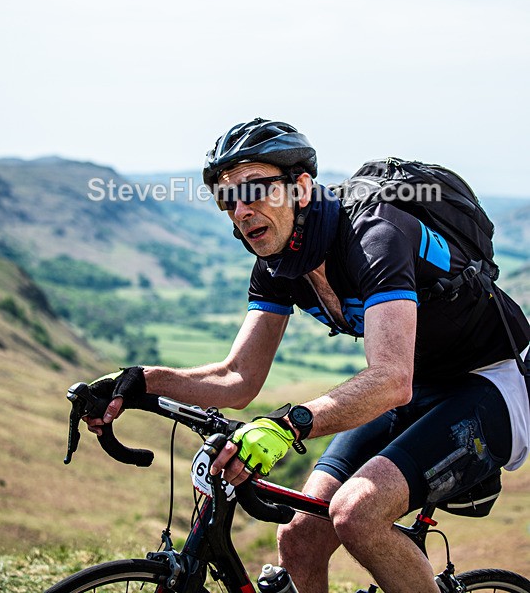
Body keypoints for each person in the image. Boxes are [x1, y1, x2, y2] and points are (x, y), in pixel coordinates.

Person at [86, 118, 530, 593]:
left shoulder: (375, 233)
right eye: (226, 198)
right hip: (418, 388)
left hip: (493, 380)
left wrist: (288, 423)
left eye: (255, 190)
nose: (240, 211)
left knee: (356, 515)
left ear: (300, 188)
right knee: (299, 536)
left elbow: (391, 378)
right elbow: (238, 377)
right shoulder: (279, 262)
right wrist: (140, 380)